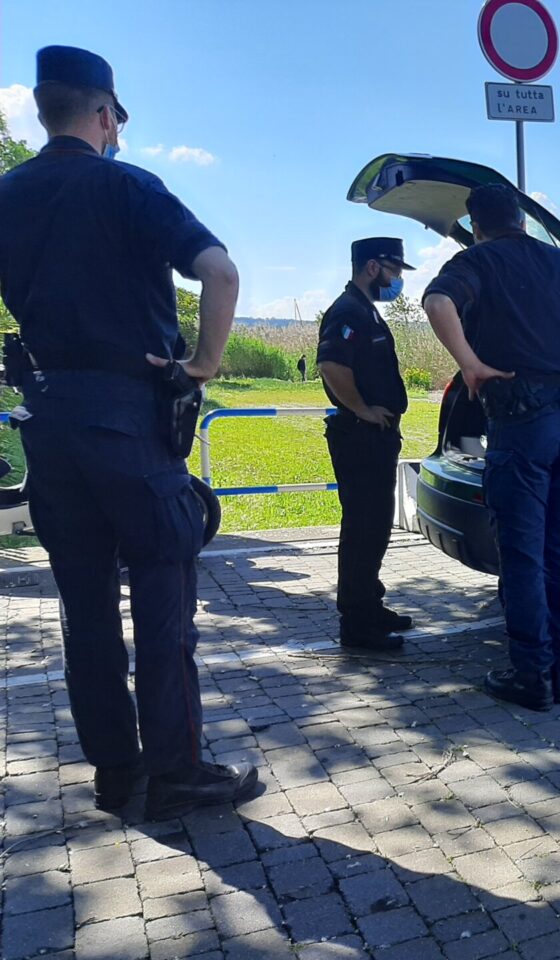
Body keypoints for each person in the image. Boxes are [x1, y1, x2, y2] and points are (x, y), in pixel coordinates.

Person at [0, 46, 255, 818]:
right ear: (104, 113)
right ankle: (176, 773)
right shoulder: (127, 186)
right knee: (163, 594)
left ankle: (117, 774)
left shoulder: (7, 194)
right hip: (128, 424)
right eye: (119, 120)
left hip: (46, 420)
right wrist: (204, 364)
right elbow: (220, 271)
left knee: (83, 609)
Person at [423, 183, 560, 710]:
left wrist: (470, 364)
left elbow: (437, 300)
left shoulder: (480, 261)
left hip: (523, 428)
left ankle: (531, 676)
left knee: (523, 554)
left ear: (477, 227)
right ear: (520, 218)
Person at [317, 238, 415, 651]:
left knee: (374, 528)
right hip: (360, 437)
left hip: (373, 437)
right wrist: (362, 411)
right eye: (394, 271)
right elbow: (332, 366)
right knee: (362, 528)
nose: (396, 281)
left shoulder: (365, 310)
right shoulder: (349, 311)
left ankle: (369, 605)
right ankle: (357, 624)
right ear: (373, 267)